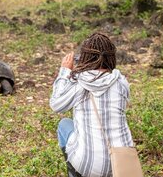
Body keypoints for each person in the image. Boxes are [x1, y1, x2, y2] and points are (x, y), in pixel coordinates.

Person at [50, 33, 134, 177]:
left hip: (90, 167)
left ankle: (75, 173)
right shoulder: (121, 82)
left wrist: (65, 71)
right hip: (123, 163)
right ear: (111, 57)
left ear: (84, 57)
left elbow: (56, 105)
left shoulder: (79, 83)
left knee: (65, 124)